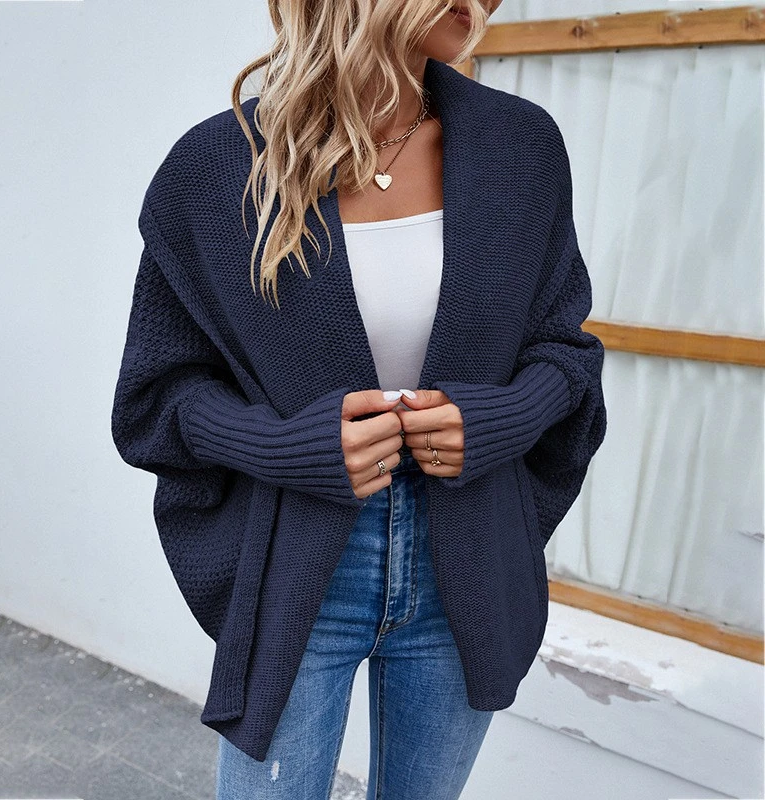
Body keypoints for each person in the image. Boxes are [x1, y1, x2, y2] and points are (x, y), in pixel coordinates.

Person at [111, 1, 608, 798]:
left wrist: (497, 418)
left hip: (467, 562)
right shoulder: (215, 169)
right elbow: (158, 395)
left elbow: (565, 352)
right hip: (297, 565)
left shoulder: (521, 148)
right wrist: (286, 446)